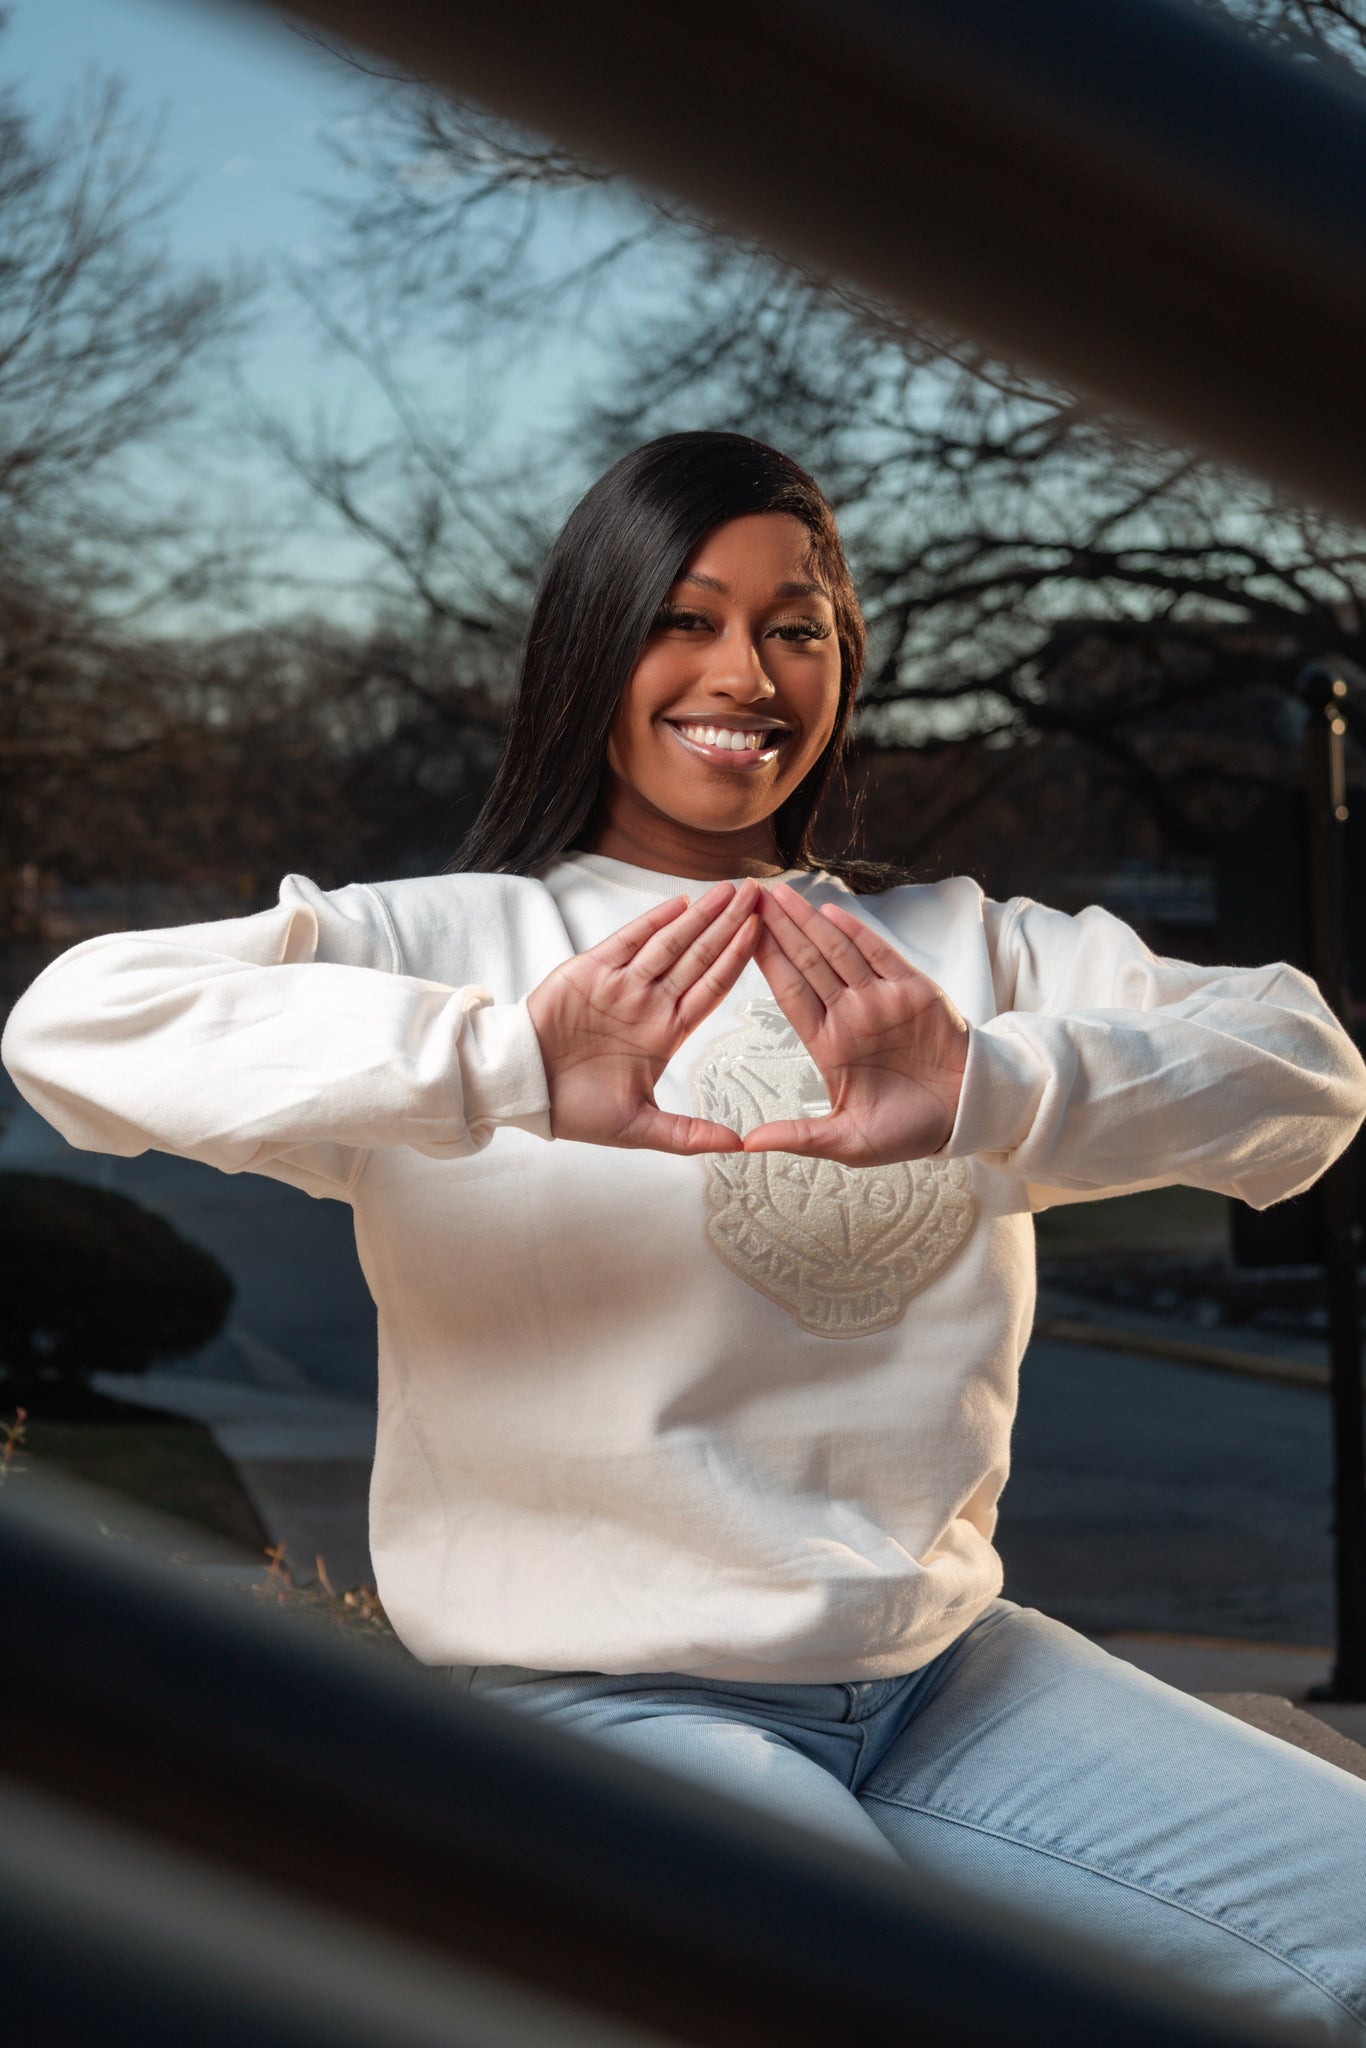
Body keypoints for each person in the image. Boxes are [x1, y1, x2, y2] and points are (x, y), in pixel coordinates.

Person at [4, 430, 1366, 2037]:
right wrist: (505, 1065)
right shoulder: (450, 942)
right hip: (593, 1703)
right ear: (594, 645)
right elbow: (76, 1024)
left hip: (943, 1680)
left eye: (797, 625)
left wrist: (985, 1085)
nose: (748, 671)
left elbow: (1301, 1071)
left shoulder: (955, 954)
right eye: (685, 616)